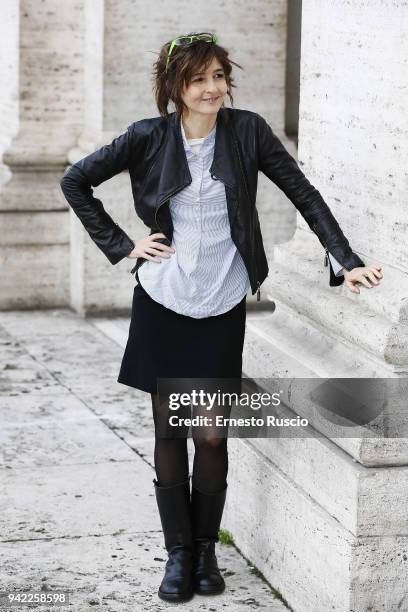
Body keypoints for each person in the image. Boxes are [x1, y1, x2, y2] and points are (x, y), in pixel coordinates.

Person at [60, 32, 383, 603]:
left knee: (210, 434)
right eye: (198, 79)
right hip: (163, 297)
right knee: (169, 428)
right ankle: (179, 555)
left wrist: (345, 258)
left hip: (222, 298)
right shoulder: (148, 137)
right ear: (175, 88)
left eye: (218, 76)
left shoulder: (249, 130)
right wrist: (123, 245)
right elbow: (75, 180)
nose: (212, 88)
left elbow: (302, 192)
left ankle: (207, 548)